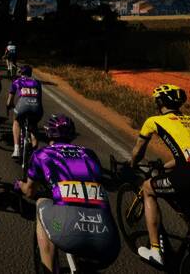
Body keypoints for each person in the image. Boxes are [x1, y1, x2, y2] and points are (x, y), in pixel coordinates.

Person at [130, 84, 190, 266]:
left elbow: (138, 151)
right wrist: (165, 167)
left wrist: (133, 164)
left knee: (148, 188)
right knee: (187, 206)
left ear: (159, 102)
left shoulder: (153, 121)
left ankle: (155, 251)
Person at [14, 115, 120, 272]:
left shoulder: (42, 154)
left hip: (62, 228)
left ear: (48, 134)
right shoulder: (90, 154)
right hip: (108, 240)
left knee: (41, 202)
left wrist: (19, 185)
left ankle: (48, 269)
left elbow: (29, 191)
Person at [6, 65, 43, 158]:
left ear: (21, 73)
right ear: (30, 73)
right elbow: (40, 98)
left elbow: (9, 100)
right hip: (36, 106)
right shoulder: (37, 82)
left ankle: (16, 149)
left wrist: (9, 106)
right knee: (34, 126)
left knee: (16, 122)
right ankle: (35, 154)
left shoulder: (17, 81)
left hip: (23, 105)